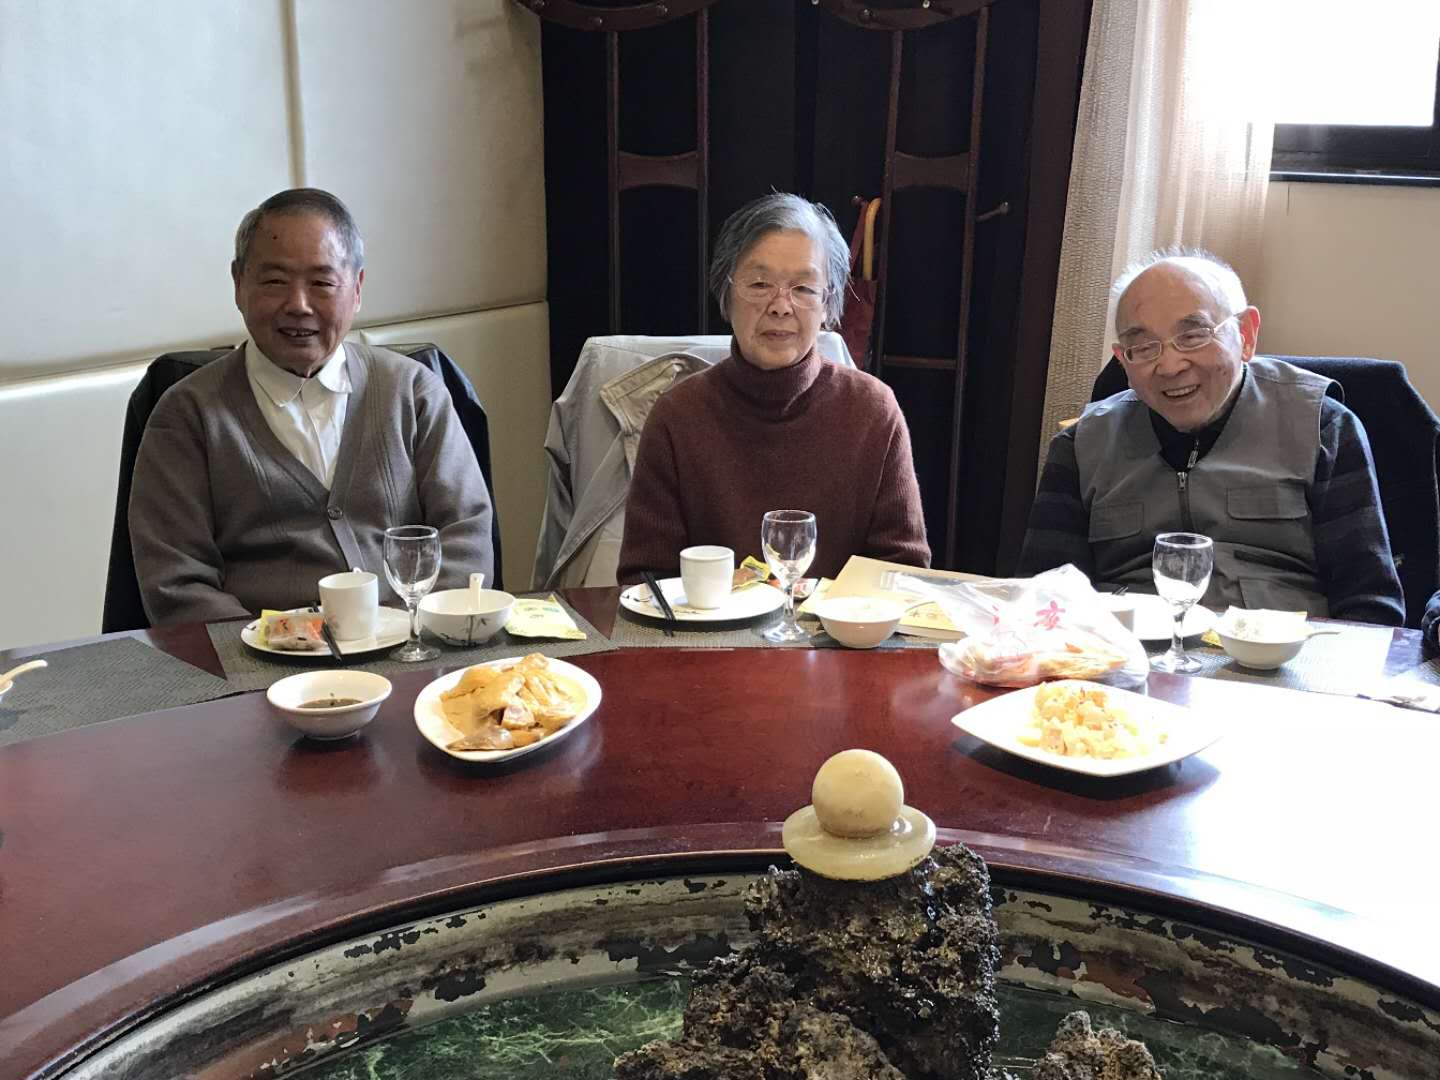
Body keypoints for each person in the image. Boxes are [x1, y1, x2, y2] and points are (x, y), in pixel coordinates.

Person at [129, 188, 494, 625]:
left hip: (412, 648)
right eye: (275, 281)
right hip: (257, 660)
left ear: (356, 289)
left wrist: (410, 631)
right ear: (239, 284)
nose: (298, 305)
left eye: (322, 283)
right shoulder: (187, 415)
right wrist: (277, 646)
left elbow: (466, 537)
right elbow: (176, 584)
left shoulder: (414, 392)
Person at [1018, 248, 1403, 625]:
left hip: (1280, 654)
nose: (1170, 366)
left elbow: (1370, 606)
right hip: (1125, 655)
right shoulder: (1082, 445)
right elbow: (1045, 597)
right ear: (1123, 359)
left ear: (1246, 334)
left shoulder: (1322, 426)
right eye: (1144, 347)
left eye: (1193, 335)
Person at [617, 193, 930, 584]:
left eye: (803, 288)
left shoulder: (872, 411)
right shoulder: (677, 417)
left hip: (839, 625)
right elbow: (645, 581)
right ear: (726, 292)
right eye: (760, 284)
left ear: (828, 303)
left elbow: (902, 572)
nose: (781, 306)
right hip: (705, 625)